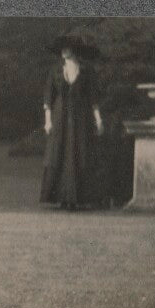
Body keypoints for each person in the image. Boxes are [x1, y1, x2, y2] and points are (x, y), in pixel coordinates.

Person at [40, 35, 104, 211]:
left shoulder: (86, 70)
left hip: (81, 117)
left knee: (79, 152)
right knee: (59, 151)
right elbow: (48, 97)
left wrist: (98, 119)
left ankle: (78, 198)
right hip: (60, 117)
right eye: (62, 48)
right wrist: (47, 121)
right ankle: (61, 197)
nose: (63, 51)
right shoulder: (55, 70)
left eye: (66, 48)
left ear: (74, 50)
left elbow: (93, 97)